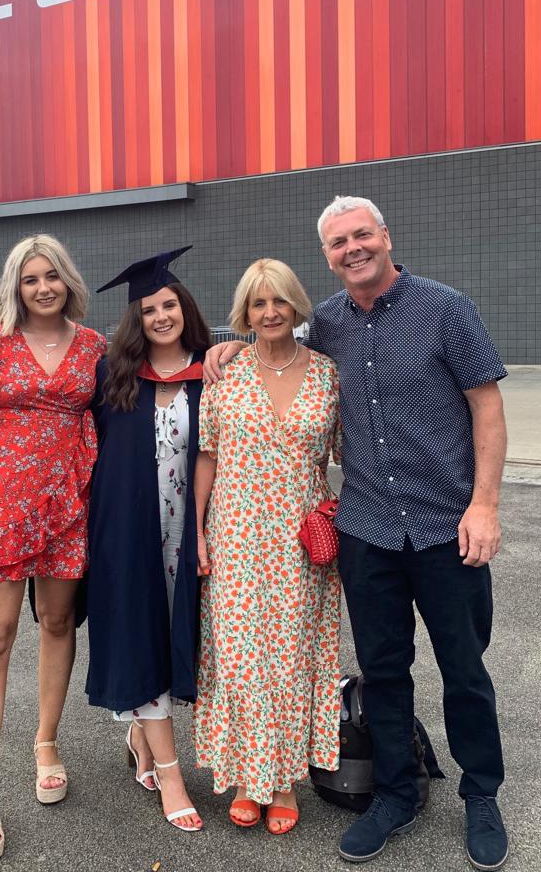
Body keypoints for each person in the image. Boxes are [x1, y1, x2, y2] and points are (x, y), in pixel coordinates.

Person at [205, 197, 508, 870]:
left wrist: (484, 504)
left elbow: (487, 405)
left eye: (361, 234)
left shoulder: (446, 308)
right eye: (339, 241)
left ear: (385, 236)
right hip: (367, 530)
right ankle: (394, 795)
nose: (353, 248)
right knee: (384, 672)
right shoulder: (328, 327)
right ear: (329, 255)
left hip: (444, 527)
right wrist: (227, 347)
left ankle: (481, 795)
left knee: (464, 670)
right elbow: (272, 346)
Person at [0, 234, 107, 861]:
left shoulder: (93, 344)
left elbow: (152, 375)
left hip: (72, 502)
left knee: (60, 620)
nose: (43, 287)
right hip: (4, 503)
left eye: (52, 276)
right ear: (16, 285)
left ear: (68, 280)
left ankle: (46, 742)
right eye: (31, 278)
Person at [193, 258, 342, 835]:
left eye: (279, 300)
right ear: (244, 313)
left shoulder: (329, 373)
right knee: (239, 656)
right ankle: (243, 773)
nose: (270, 312)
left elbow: (352, 455)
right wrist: (200, 531)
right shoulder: (224, 374)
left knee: (293, 655)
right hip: (234, 531)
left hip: (302, 537)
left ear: (296, 305)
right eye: (258, 303)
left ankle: (281, 779)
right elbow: (207, 454)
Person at [86, 247, 210, 833]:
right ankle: (171, 773)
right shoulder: (110, 375)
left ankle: (141, 734)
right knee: (142, 636)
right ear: (135, 319)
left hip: (195, 534)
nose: (161, 315)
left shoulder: (215, 370)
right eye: (149, 308)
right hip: (128, 532)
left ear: (184, 306)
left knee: (183, 636)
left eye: (169, 304)